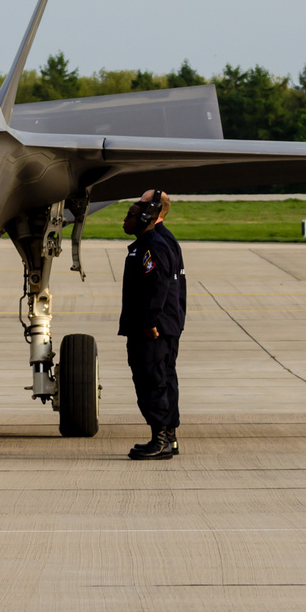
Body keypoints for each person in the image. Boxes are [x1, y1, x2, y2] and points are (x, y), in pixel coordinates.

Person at [118, 189, 186, 460]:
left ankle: (159, 439)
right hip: (164, 325)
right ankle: (168, 437)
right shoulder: (162, 240)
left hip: (152, 328)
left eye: (134, 211)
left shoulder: (153, 245)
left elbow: (157, 287)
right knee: (165, 378)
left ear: (150, 212)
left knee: (152, 380)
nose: (127, 217)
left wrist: (148, 322)